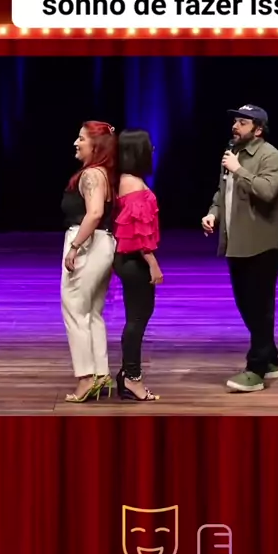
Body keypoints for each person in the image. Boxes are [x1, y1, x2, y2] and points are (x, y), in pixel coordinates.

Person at [201, 104, 278, 393]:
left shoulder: (270, 156)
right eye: (235, 122)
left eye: (242, 123)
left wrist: (239, 171)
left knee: (259, 307)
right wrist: (213, 213)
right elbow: (222, 191)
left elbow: (267, 191)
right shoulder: (232, 153)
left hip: (262, 243)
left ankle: (256, 370)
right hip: (236, 241)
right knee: (247, 304)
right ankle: (271, 358)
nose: (235, 127)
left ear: (258, 130)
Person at [62, 120, 117, 403]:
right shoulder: (104, 173)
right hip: (101, 243)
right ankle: (100, 373)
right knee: (92, 311)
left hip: (88, 243)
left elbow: (94, 213)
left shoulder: (92, 175)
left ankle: (85, 377)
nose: (76, 142)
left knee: (74, 308)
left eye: (81, 138)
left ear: (96, 145)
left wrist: (74, 247)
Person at [113, 130, 163, 402]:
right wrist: (153, 263)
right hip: (135, 260)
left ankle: (127, 374)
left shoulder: (128, 180)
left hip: (131, 259)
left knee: (138, 316)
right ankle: (132, 378)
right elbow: (137, 230)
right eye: (148, 146)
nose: (152, 149)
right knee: (137, 318)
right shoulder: (131, 183)